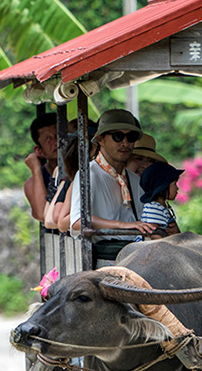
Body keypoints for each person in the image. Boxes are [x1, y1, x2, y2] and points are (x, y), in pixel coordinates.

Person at [69, 109, 156, 264]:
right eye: (118, 136)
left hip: (135, 259)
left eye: (131, 137)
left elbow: (144, 220)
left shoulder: (133, 179)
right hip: (105, 262)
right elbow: (77, 221)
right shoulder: (89, 175)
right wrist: (125, 226)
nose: (125, 143)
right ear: (101, 139)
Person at [23, 111, 58, 220]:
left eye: (58, 136)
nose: (56, 142)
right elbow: (43, 214)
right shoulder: (31, 184)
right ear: (39, 150)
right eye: (48, 139)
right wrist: (36, 170)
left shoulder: (80, 171)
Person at [139, 162, 183, 239]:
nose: (177, 188)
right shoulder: (154, 207)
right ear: (163, 187)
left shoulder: (162, 207)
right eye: (174, 184)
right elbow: (154, 234)